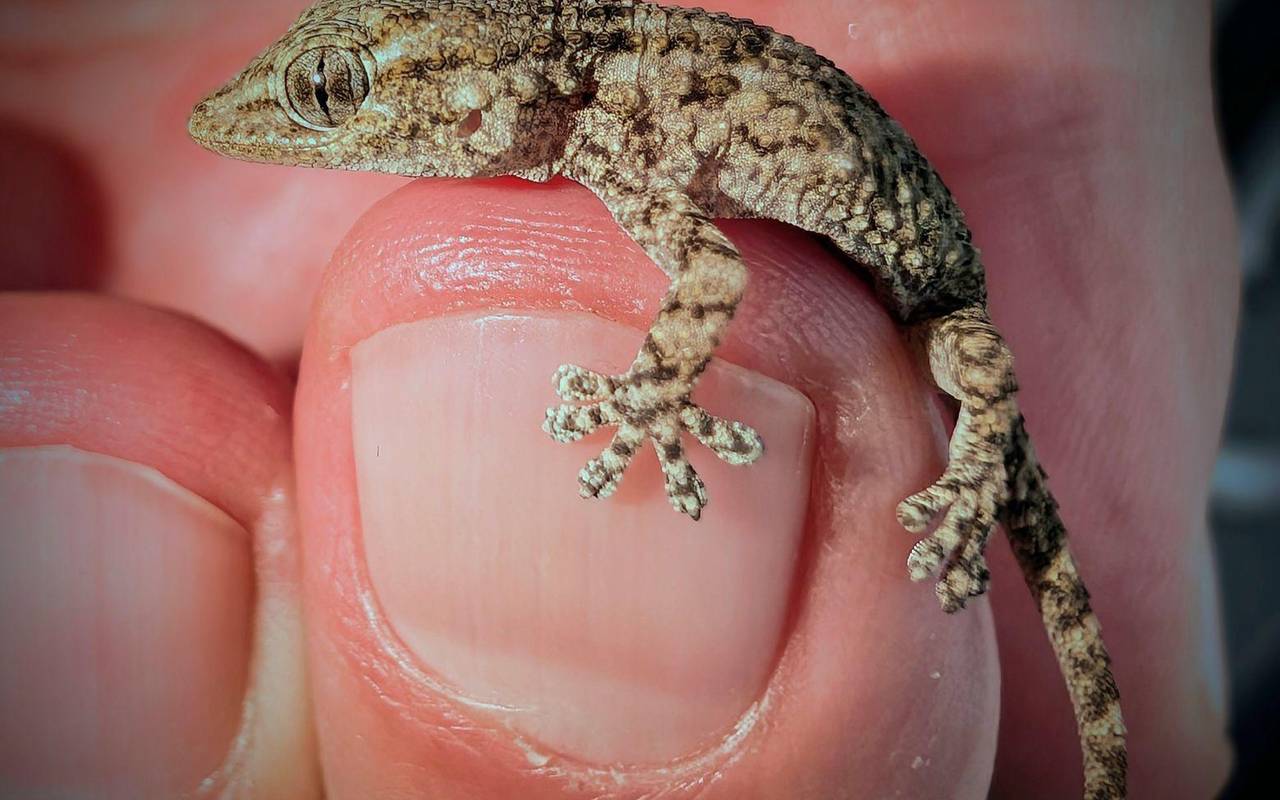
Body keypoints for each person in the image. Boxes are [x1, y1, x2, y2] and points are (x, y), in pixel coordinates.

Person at [0, 0, 1235, 797]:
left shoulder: (615, 130)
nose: (296, 123)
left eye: (335, 95)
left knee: (977, 409)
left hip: (934, 308)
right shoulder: (592, 106)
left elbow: (711, 270)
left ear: (470, 90)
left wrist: (653, 396)